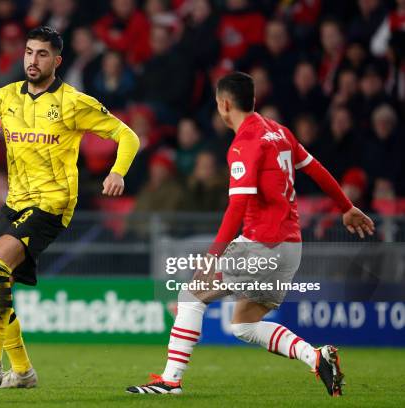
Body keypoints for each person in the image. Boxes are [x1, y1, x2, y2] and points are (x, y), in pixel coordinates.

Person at [127, 72, 374, 396]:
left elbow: (237, 208)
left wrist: (211, 256)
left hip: (262, 243)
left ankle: (170, 380)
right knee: (243, 324)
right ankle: (316, 357)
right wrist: (346, 206)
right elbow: (316, 169)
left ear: (224, 104)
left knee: (191, 295)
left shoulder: (244, 143)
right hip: (289, 247)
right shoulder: (280, 132)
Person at [0, 26, 139, 389]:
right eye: (29, 52)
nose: (33, 60)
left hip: (52, 204)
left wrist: (118, 172)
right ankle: (23, 370)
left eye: (42, 54)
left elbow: (128, 135)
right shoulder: (4, 98)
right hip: (14, 203)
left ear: (57, 60)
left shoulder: (73, 102)